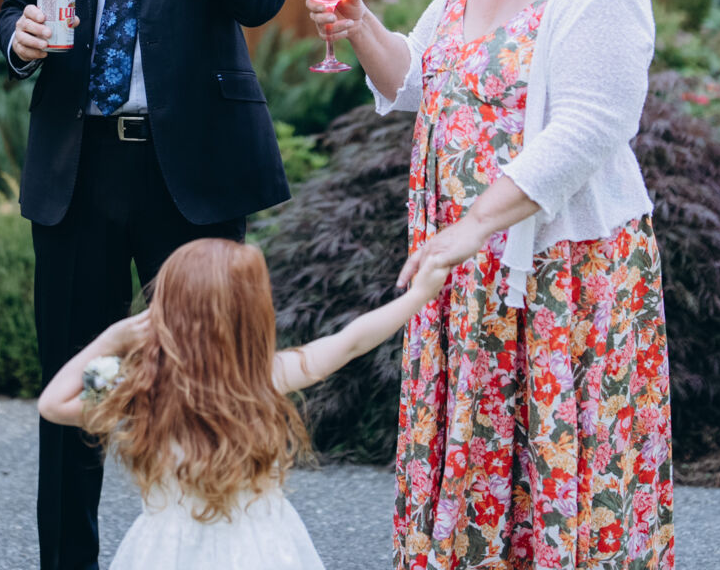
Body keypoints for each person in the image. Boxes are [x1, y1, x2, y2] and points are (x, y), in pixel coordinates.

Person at [306, 0, 673, 570]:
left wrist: (473, 225)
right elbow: (414, 79)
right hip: (463, 267)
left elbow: (589, 130)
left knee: (547, 453)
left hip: (558, 271)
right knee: (472, 445)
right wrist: (359, 24)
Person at [0, 0, 295, 570]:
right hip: (79, 171)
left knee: (208, 396)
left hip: (190, 180)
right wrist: (19, 39)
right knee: (76, 396)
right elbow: (14, 1)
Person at [38, 238, 450, 570]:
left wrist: (111, 338)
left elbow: (54, 404)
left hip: (165, 551)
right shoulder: (264, 378)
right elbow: (350, 342)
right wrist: (419, 295)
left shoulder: (141, 389)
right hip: (261, 547)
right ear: (247, 316)